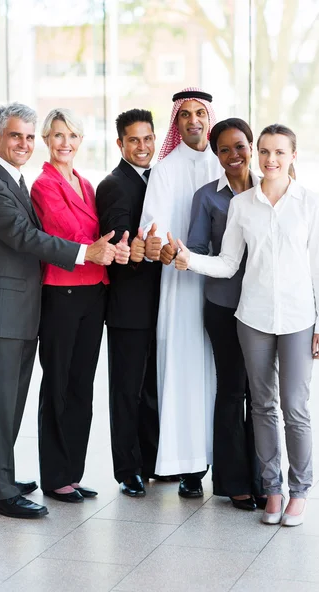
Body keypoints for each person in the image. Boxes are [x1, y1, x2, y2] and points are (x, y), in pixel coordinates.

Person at [0, 102, 117, 519]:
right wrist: (87, 252)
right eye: (16, 136)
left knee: (4, 402)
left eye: (29, 137)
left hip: (16, 308)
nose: (24, 144)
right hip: (0, 310)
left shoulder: (10, 180)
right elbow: (25, 237)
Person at [176, 123, 319, 525]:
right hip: (253, 318)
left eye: (280, 152)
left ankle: (300, 490)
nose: (271, 159)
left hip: (298, 319)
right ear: (258, 155)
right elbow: (227, 264)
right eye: (265, 152)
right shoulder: (243, 205)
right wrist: (187, 258)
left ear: (293, 156)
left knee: (294, 407)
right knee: (262, 406)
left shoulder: (309, 205)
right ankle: (273, 490)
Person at [30, 108, 129, 503]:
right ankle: (54, 477)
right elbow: (64, 233)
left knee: (80, 387)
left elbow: (98, 237)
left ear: (81, 140)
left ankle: (72, 472)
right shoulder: (44, 185)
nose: (65, 143)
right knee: (57, 383)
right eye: (57, 135)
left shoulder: (87, 185)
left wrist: (114, 248)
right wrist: (100, 247)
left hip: (93, 293)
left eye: (72, 135)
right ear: (46, 140)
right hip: (62, 293)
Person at [139, 87, 222, 498]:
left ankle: (224, 466)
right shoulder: (166, 168)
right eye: (185, 114)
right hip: (179, 286)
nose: (193, 121)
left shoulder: (226, 164)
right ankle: (189, 467)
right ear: (177, 122)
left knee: (223, 378)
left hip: (224, 287)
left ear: (209, 118)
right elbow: (150, 225)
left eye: (199, 113)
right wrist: (159, 243)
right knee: (184, 373)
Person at [187, 118, 265, 511]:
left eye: (240, 146)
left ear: (252, 146)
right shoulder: (208, 197)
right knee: (234, 390)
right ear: (216, 155)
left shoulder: (271, 190)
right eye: (224, 150)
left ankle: (264, 478)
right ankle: (234, 482)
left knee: (263, 395)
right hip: (224, 307)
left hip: (265, 309)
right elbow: (196, 248)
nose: (234, 155)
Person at [96, 109, 163, 497]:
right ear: (120, 144)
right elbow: (118, 242)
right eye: (134, 140)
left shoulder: (157, 178)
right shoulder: (114, 185)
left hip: (157, 301)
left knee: (151, 386)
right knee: (126, 389)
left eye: (148, 139)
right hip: (128, 306)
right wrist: (134, 249)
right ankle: (128, 469)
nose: (143, 147)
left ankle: (151, 460)